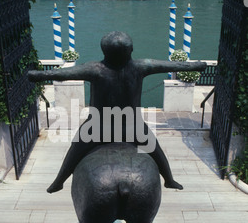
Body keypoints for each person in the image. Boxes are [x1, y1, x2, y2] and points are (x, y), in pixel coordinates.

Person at [28, 31, 206, 193]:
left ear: (104, 52)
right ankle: (168, 179)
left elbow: (64, 74)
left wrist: (38, 75)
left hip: (98, 126)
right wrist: (196, 66)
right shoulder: (142, 66)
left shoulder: (94, 69)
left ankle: (59, 181)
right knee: (155, 149)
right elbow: (171, 65)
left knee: (75, 149)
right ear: (131, 50)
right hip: (132, 127)